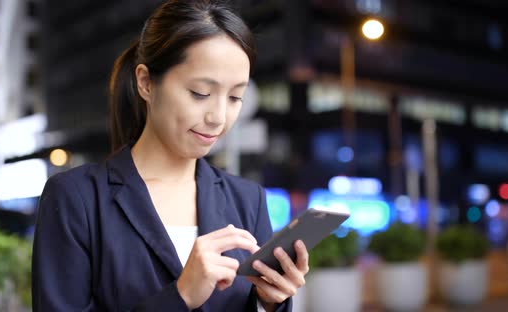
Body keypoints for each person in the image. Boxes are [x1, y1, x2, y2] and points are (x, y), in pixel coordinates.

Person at [31, 1, 309, 311]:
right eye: (200, 93)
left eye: (234, 97)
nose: (218, 117)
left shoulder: (247, 200)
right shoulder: (76, 198)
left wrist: (269, 303)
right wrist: (181, 296)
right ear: (146, 83)